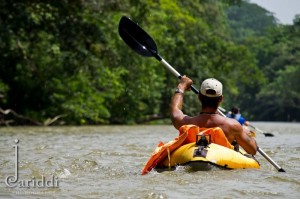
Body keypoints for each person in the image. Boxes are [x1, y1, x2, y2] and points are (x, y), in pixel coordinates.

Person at [170, 76, 257, 155]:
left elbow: (175, 111)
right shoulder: (233, 126)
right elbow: (253, 150)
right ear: (221, 99)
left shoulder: (186, 123)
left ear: (199, 96)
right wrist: (244, 133)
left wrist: (181, 86)